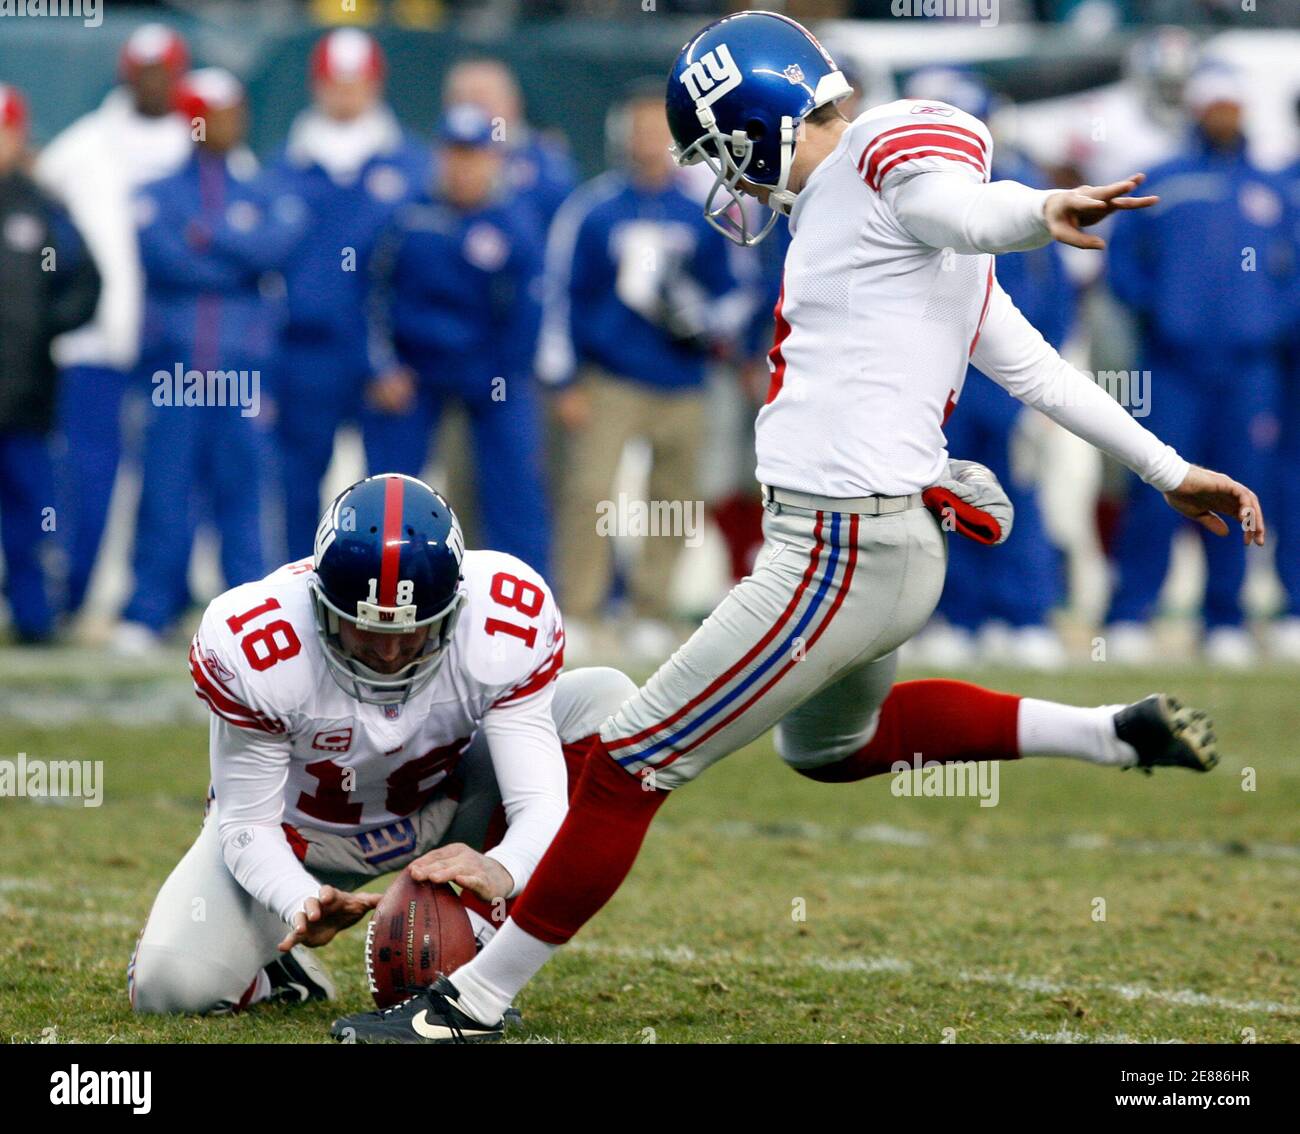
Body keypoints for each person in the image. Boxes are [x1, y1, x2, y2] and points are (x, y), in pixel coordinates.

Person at [331, 11, 1261, 1044]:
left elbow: (961, 209)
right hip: (882, 544)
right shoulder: (852, 203)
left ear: (758, 118)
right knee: (832, 750)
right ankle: (1105, 732)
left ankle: (470, 1005)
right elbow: (1029, 361)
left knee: (630, 758)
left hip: (836, 553)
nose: (720, 174)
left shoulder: (882, 151)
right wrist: (1166, 467)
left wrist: (1038, 209)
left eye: (719, 145)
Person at [129, 471, 635, 1014]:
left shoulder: (504, 620)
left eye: (409, 632)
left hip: (445, 808)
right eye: (366, 630)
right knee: (169, 990)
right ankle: (281, 967)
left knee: (607, 699)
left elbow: (538, 802)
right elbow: (246, 822)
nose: (389, 654)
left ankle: (474, 947)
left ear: (452, 610)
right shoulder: (258, 644)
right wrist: (300, 898)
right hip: (303, 836)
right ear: (321, 606)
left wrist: (504, 866)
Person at [538, 82, 746, 661]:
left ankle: (652, 609)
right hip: (610, 377)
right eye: (640, 130)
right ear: (622, 137)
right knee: (590, 494)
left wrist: (701, 319)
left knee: (675, 498)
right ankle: (580, 610)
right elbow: (560, 295)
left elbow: (737, 290)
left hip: (683, 379)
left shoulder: (704, 208)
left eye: (659, 130)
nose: (650, 141)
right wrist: (563, 377)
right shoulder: (595, 208)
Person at [1103, 66, 1291, 667]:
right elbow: (1122, 261)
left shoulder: (1273, 189)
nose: (1224, 114)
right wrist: (1160, 310)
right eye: (1215, 104)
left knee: (1241, 491)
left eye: (1232, 104)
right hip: (1172, 365)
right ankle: (1131, 614)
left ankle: (1226, 618)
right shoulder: (1163, 181)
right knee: (1158, 484)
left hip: (1248, 370)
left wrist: (1267, 323)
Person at [112, 69, 305, 653]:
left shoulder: (265, 191)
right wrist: (235, 252)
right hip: (174, 372)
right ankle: (150, 610)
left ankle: (251, 617)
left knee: (244, 493)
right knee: (165, 491)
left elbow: (276, 248)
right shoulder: (158, 192)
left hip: (244, 373)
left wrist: (206, 237)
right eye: (211, 113)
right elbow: (166, 260)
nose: (224, 125)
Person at [903, 67, 1075, 670]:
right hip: (935, 373)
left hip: (1005, 376)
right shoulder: (900, 197)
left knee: (1018, 492)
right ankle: (955, 613)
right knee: (940, 495)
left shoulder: (1022, 189)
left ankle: (1025, 613)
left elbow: (1055, 299)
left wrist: (1043, 381)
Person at [34, 23, 192, 618]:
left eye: (165, 71)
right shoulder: (84, 147)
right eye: (144, 70)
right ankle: (66, 594)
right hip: (95, 341)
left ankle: (162, 598)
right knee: (86, 474)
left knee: (174, 481)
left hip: (179, 344)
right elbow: (35, 210)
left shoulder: (199, 140)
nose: (154, 82)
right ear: (127, 73)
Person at [363, 105, 549, 576]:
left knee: (515, 487)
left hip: (489, 370)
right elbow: (369, 295)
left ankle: (526, 593)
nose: (463, 166)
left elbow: (528, 312)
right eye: (454, 154)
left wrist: (502, 377)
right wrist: (381, 367)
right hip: (414, 371)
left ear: (494, 159)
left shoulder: (514, 223)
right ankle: (380, 587)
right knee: (391, 492)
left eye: (475, 155)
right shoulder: (406, 218)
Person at [271, 29, 430, 561]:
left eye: (354, 83)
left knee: (391, 494)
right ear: (317, 85)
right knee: (293, 484)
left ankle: (390, 598)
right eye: (334, 83)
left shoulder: (412, 165)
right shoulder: (283, 166)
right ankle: (296, 594)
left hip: (387, 355)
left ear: (375, 85)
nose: (344, 94)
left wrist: (404, 355)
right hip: (304, 349)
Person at [0, 84, 101, 643]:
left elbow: (87, 283)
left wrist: (42, 328)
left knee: (30, 512)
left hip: (24, 395)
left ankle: (35, 617)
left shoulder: (41, 209)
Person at [442, 57, 578, 234]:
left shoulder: (546, 163)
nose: (471, 111)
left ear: (512, 104)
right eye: (460, 100)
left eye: (480, 100)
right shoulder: (435, 161)